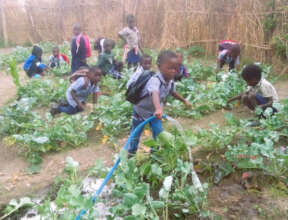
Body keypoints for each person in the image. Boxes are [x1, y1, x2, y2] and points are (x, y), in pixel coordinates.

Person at [128, 50, 191, 156]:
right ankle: (131, 152)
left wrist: (184, 101)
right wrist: (158, 108)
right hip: (141, 110)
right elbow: (155, 93)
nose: (173, 71)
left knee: (158, 132)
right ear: (159, 66)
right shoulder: (155, 80)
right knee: (136, 132)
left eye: (176, 69)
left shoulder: (170, 82)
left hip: (154, 113)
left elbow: (173, 92)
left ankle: (155, 152)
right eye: (170, 68)